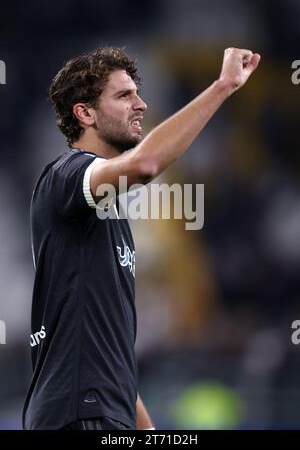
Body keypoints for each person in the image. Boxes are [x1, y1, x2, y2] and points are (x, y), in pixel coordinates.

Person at [22, 46, 260, 430]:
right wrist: (223, 86)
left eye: (137, 93)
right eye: (123, 95)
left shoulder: (109, 217)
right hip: (77, 414)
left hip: (102, 413)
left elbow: (108, 355)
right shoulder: (66, 175)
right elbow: (146, 165)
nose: (141, 104)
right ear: (84, 113)